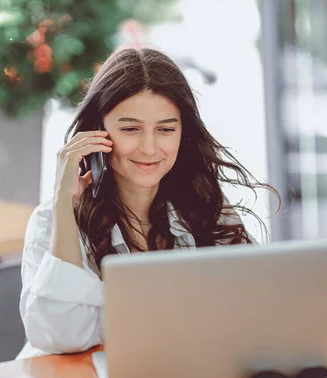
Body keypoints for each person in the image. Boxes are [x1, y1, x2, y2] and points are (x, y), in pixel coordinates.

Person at [17, 47, 279, 358]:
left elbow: (253, 306)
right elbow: (63, 336)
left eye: (166, 129)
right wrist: (63, 201)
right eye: (130, 129)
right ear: (96, 132)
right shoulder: (52, 219)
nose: (150, 148)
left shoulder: (205, 205)